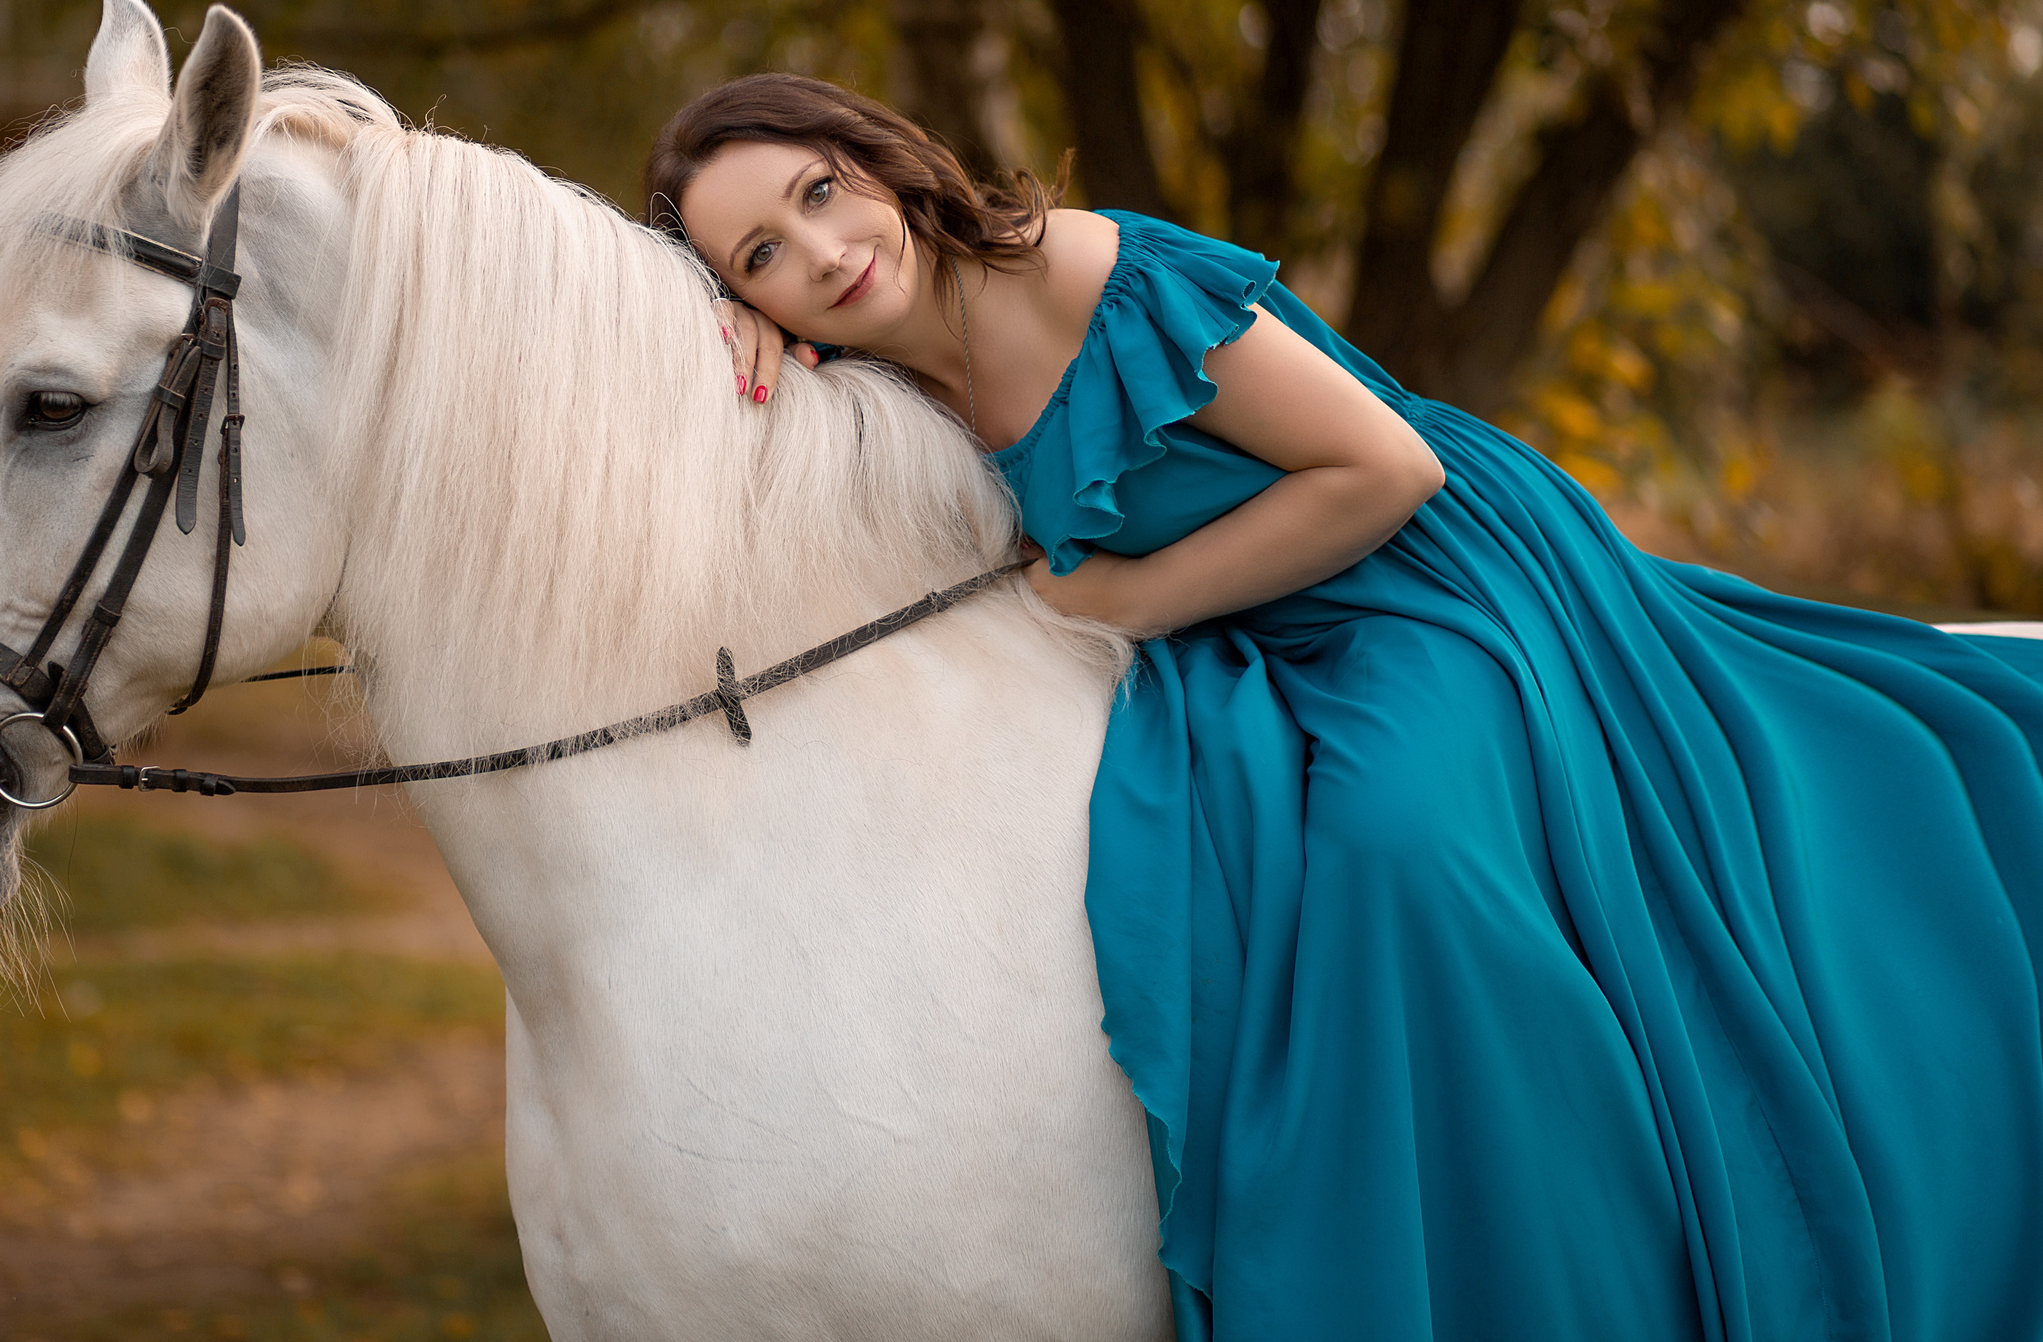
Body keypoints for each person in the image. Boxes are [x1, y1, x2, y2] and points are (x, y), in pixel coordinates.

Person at [642, 72, 2043, 1342]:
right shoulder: (873, 380)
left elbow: (1383, 471)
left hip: (1431, 577)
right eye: (761, 254)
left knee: (1398, 846)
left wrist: (1129, 604)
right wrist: (728, 356)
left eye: (820, 193)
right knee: (1209, 865)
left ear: (876, 163)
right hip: (1248, 622)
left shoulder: (1075, 271)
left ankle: (1563, 1241)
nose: (823, 252)